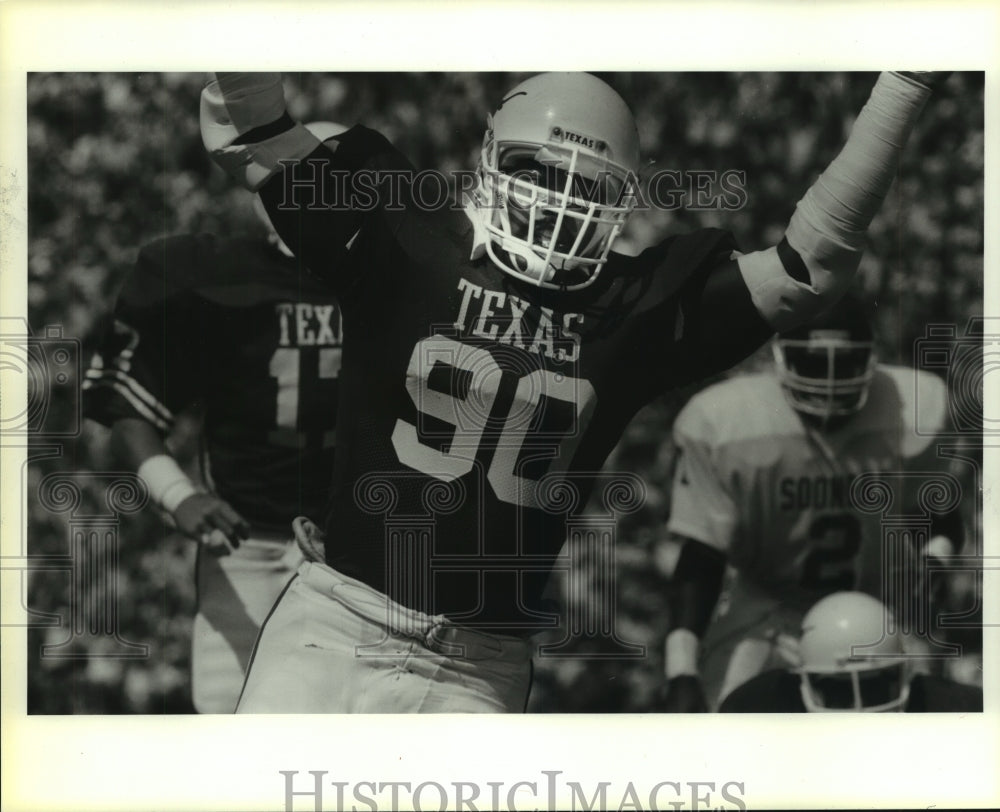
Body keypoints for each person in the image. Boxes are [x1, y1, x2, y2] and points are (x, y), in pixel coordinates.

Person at [199, 70, 945, 713]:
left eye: (587, 184)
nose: (560, 198)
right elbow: (256, 128)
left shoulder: (632, 308)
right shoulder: (407, 238)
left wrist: (904, 83)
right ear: (491, 160)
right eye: (540, 171)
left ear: (621, 198)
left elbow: (806, 270)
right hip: (335, 621)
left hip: (474, 662)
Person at [83, 126, 345, 712]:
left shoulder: (389, 289)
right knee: (228, 720)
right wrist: (178, 494)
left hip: (353, 549)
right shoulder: (221, 279)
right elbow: (131, 406)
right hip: (244, 539)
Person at [657, 293, 963, 712]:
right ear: (781, 358)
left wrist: (936, 560)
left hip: (882, 608)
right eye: (816, 364)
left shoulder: (912, 407)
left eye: (846, 365)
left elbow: (938, 514)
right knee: (722, 722)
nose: (830, 383)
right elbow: (702, 554)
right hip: (768, 608)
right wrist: (681, 671)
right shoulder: (727, 424)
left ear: (871, 361)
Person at [719, 592, 982, 712]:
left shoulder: (954, 708)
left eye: (875, 687)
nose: (858, 708)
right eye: (839, 690)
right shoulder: (759, 707)